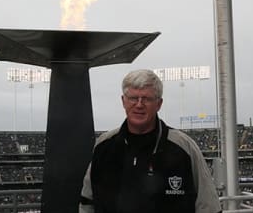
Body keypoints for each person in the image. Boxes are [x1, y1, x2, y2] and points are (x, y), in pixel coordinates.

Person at [79, 69, 221, 213]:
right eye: (133, 98)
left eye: (146, 99)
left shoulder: (184, 147)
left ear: (159, 104)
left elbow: (208, 206)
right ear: (123, 101)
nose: (139, 105)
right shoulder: (104, 146)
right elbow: (87, 202)